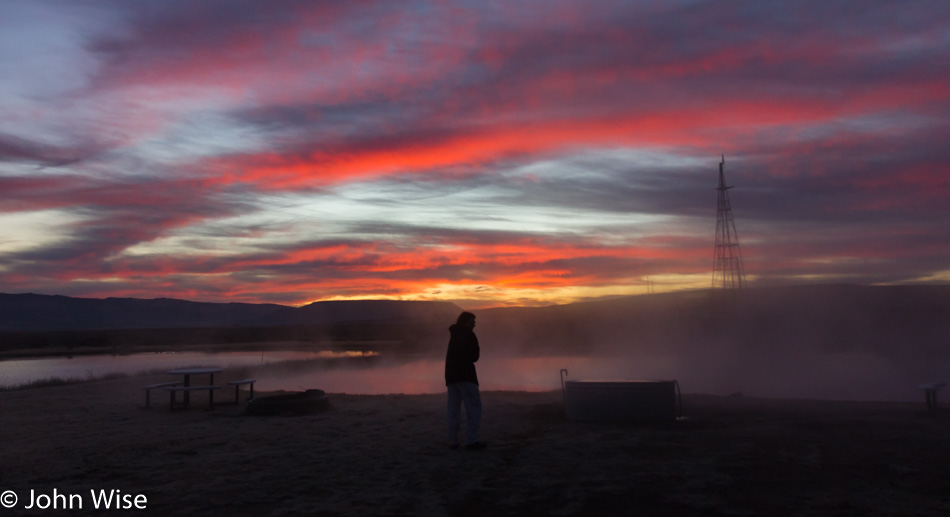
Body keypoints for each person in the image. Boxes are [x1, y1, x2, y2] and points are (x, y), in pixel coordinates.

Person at [445, 311, 486, 450]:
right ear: (465, 321)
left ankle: (453, 441)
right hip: (466, 377)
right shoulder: (469, 335)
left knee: (453, 410)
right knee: (474, 408)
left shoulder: (454, 335)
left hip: (451, 377)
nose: (474, 323)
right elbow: (474, 356)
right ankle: (471, 441)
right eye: (472, 321)